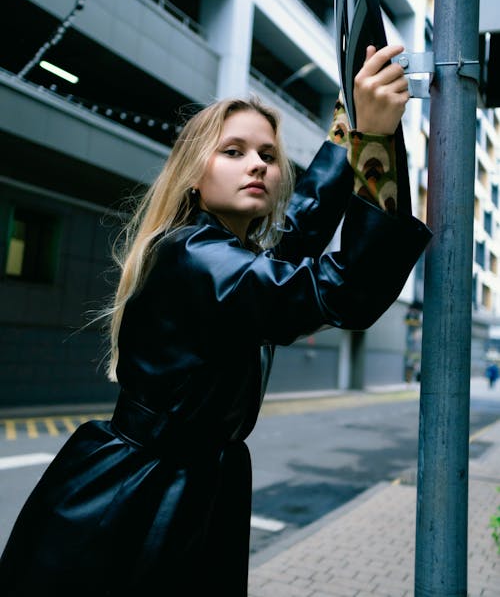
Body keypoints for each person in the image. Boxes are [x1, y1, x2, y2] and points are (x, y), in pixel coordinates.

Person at [0, 44, 431, 596]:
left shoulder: (215, 252)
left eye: (269, 156)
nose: (258, 164)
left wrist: (345, 140)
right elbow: (334, 289)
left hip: (176, 486)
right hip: (141, 497)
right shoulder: (192, 255)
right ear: (192, 176)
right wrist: (370, 145)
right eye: (234, 151)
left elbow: (290, 245)